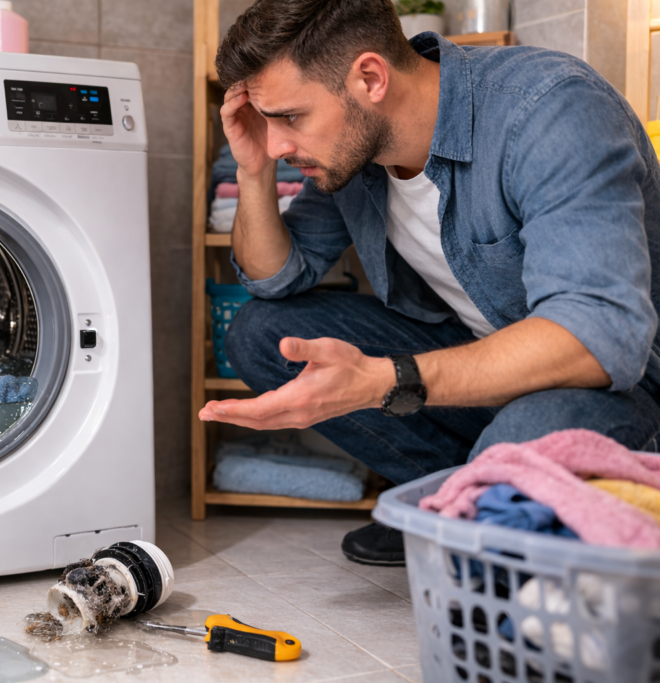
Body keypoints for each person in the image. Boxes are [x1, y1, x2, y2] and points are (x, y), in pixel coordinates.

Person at [198, 0, 660, 566]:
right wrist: (253, 172)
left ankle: (456, 501)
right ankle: (453, 495)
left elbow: (598, 338)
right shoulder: (354, 150)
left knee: (531, 434)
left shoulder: (550, 109)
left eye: (290, 117)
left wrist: (384, 380)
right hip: (482, 364)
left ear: (370, 77)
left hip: (623, 388)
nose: (279, 145)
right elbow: (275, 279)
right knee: (261, 331)